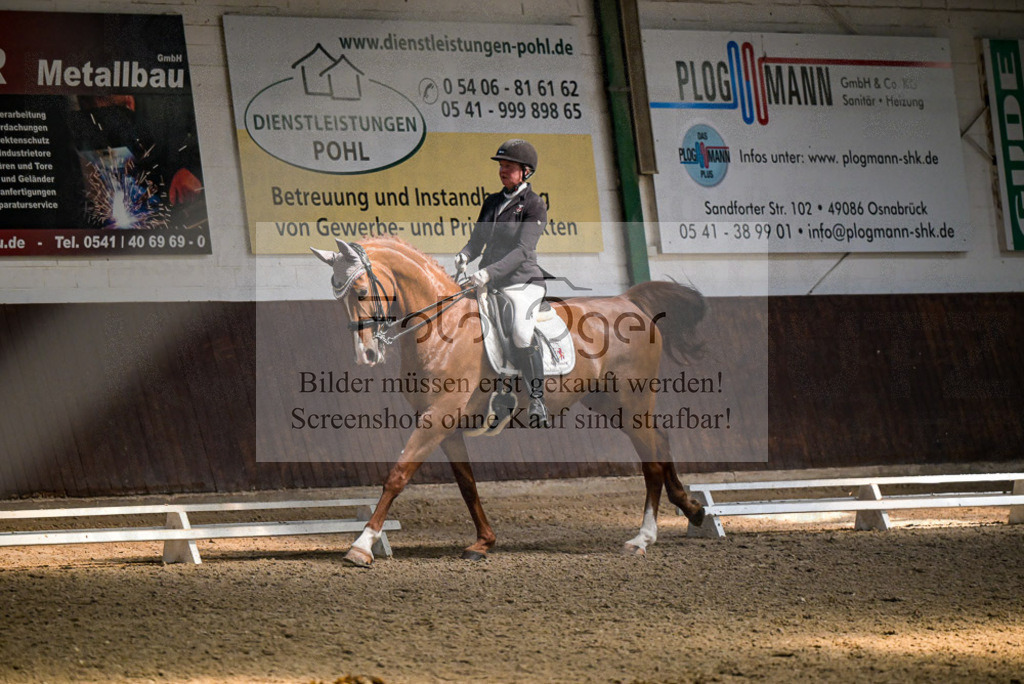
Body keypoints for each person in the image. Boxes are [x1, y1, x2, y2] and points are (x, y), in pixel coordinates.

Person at [456, 139, 550, 427]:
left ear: (525, 172)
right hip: (488, 279)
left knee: (521, 333)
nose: (502, 171)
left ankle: (537, 399)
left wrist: (487, 273)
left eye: (508, 167)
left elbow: (522, 251)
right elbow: (477, 240)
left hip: (522, 282)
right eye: (501, 166)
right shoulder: (492, 202)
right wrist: (464, 256)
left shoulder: (535, 205)